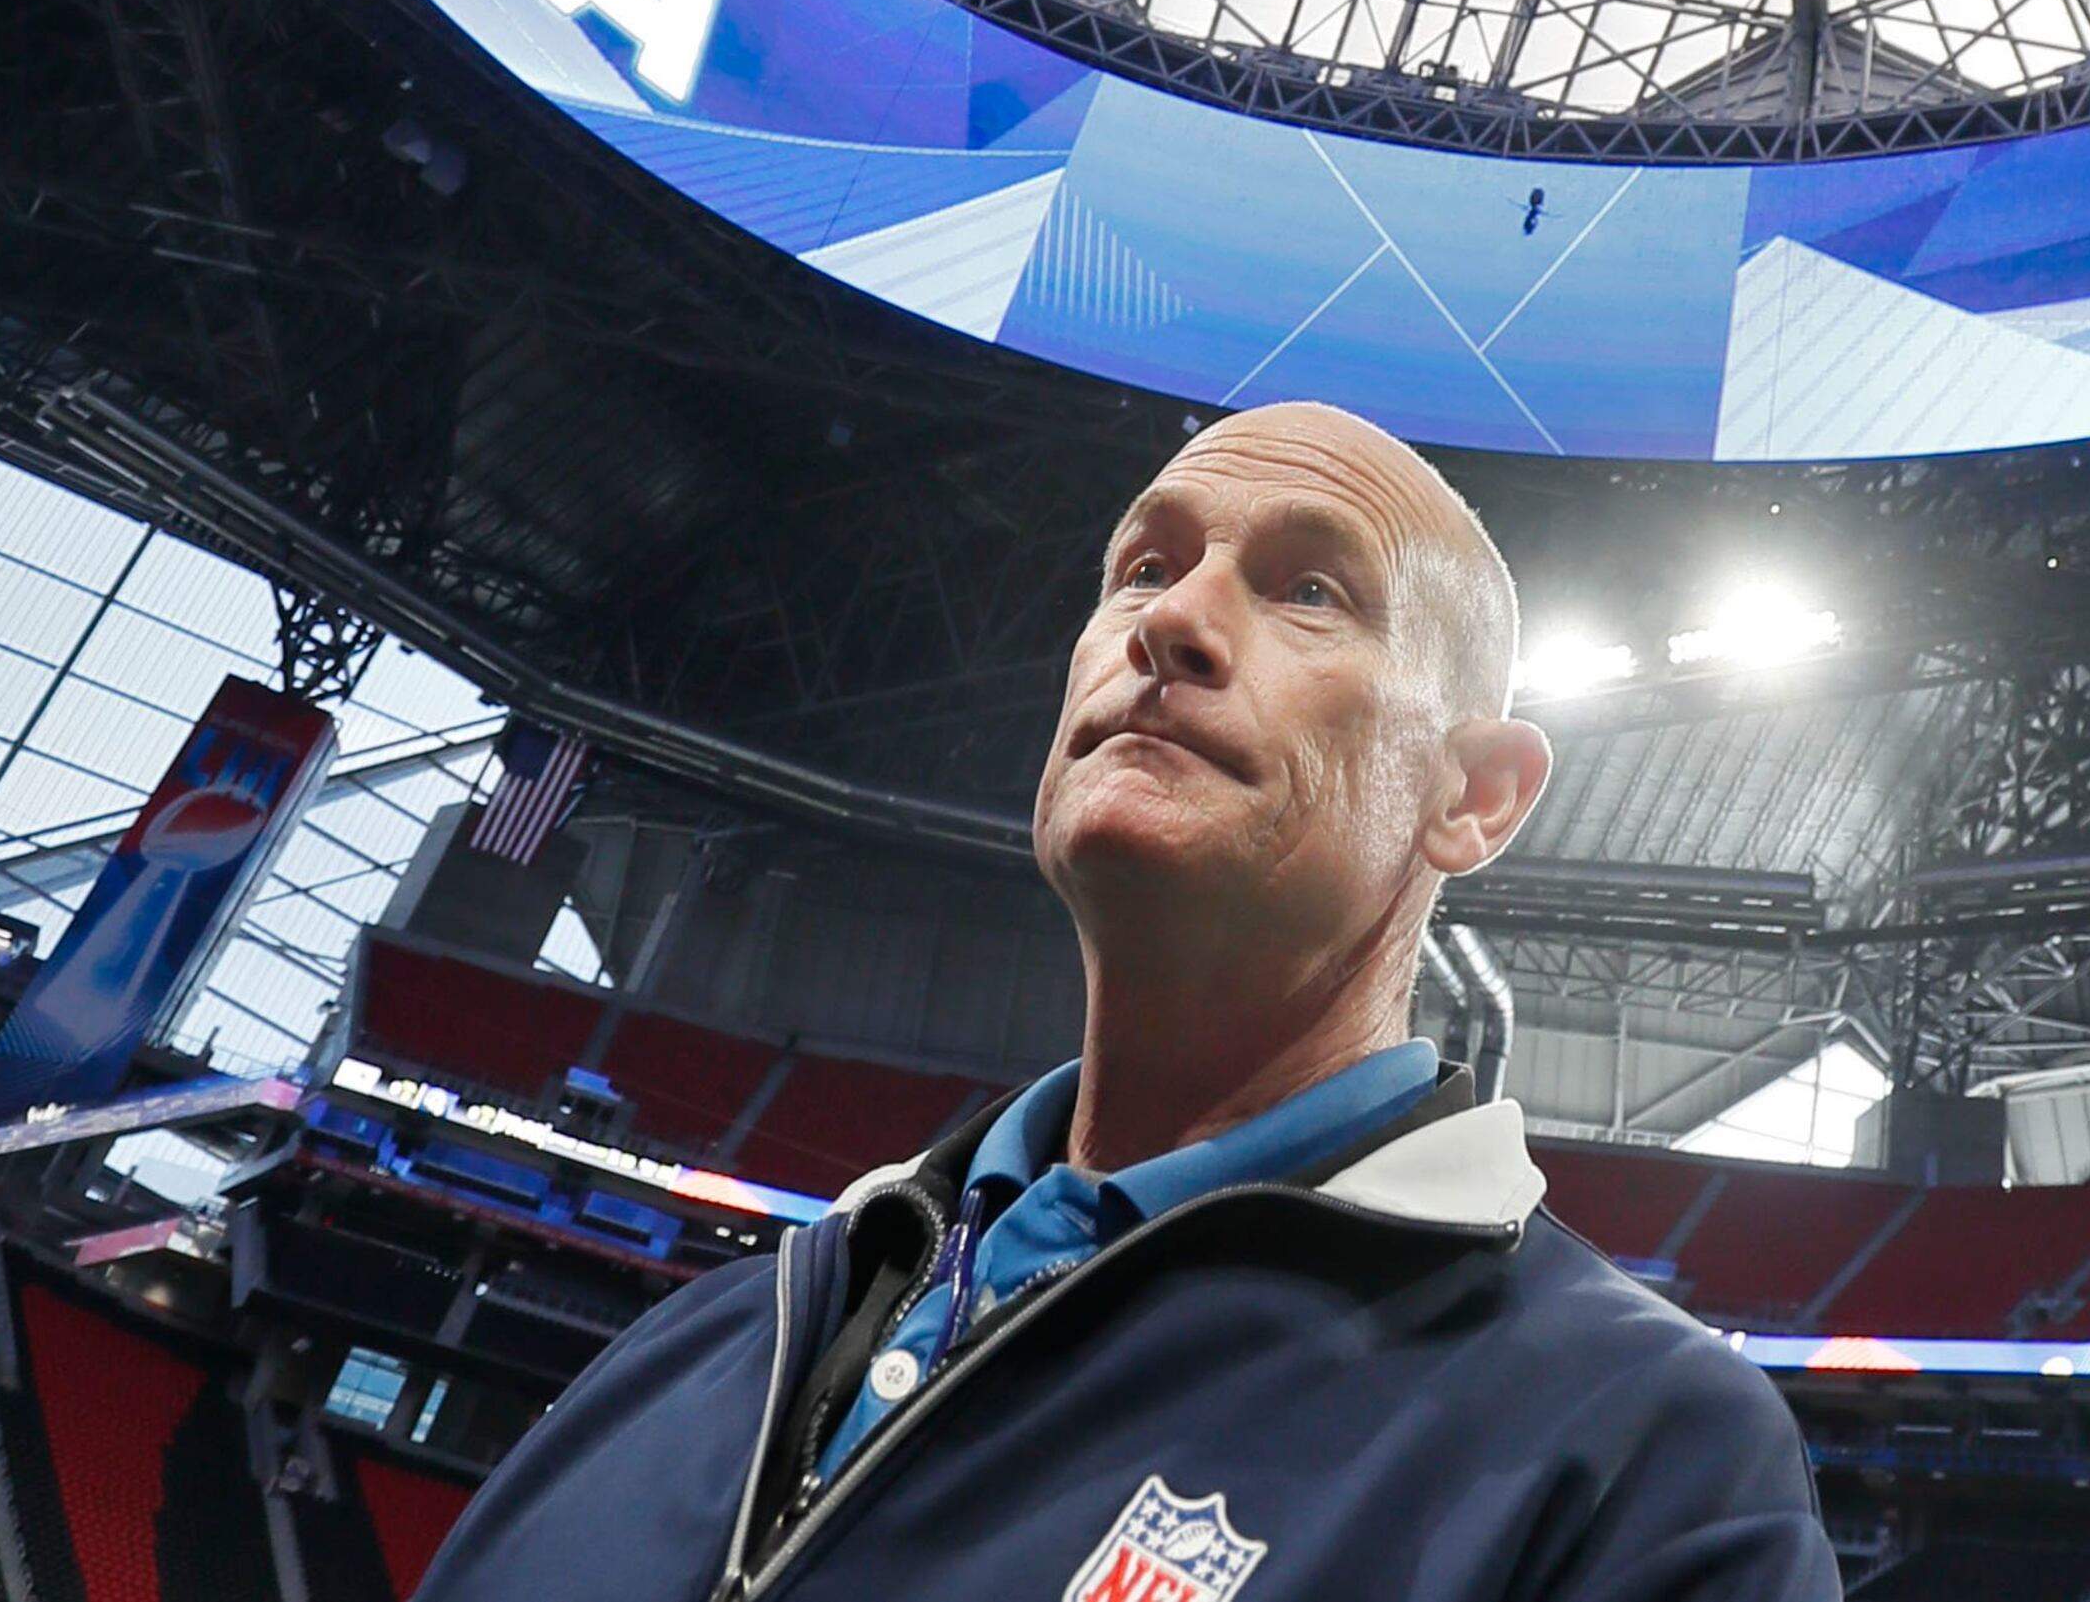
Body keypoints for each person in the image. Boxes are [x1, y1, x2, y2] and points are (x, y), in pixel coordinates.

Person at [422, 400, 1836, 1601]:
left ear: (1472, 795)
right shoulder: (708, 1336)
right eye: (1143, 565)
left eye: (1310, 590)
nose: (1174, 619)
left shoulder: (1642, 1449)